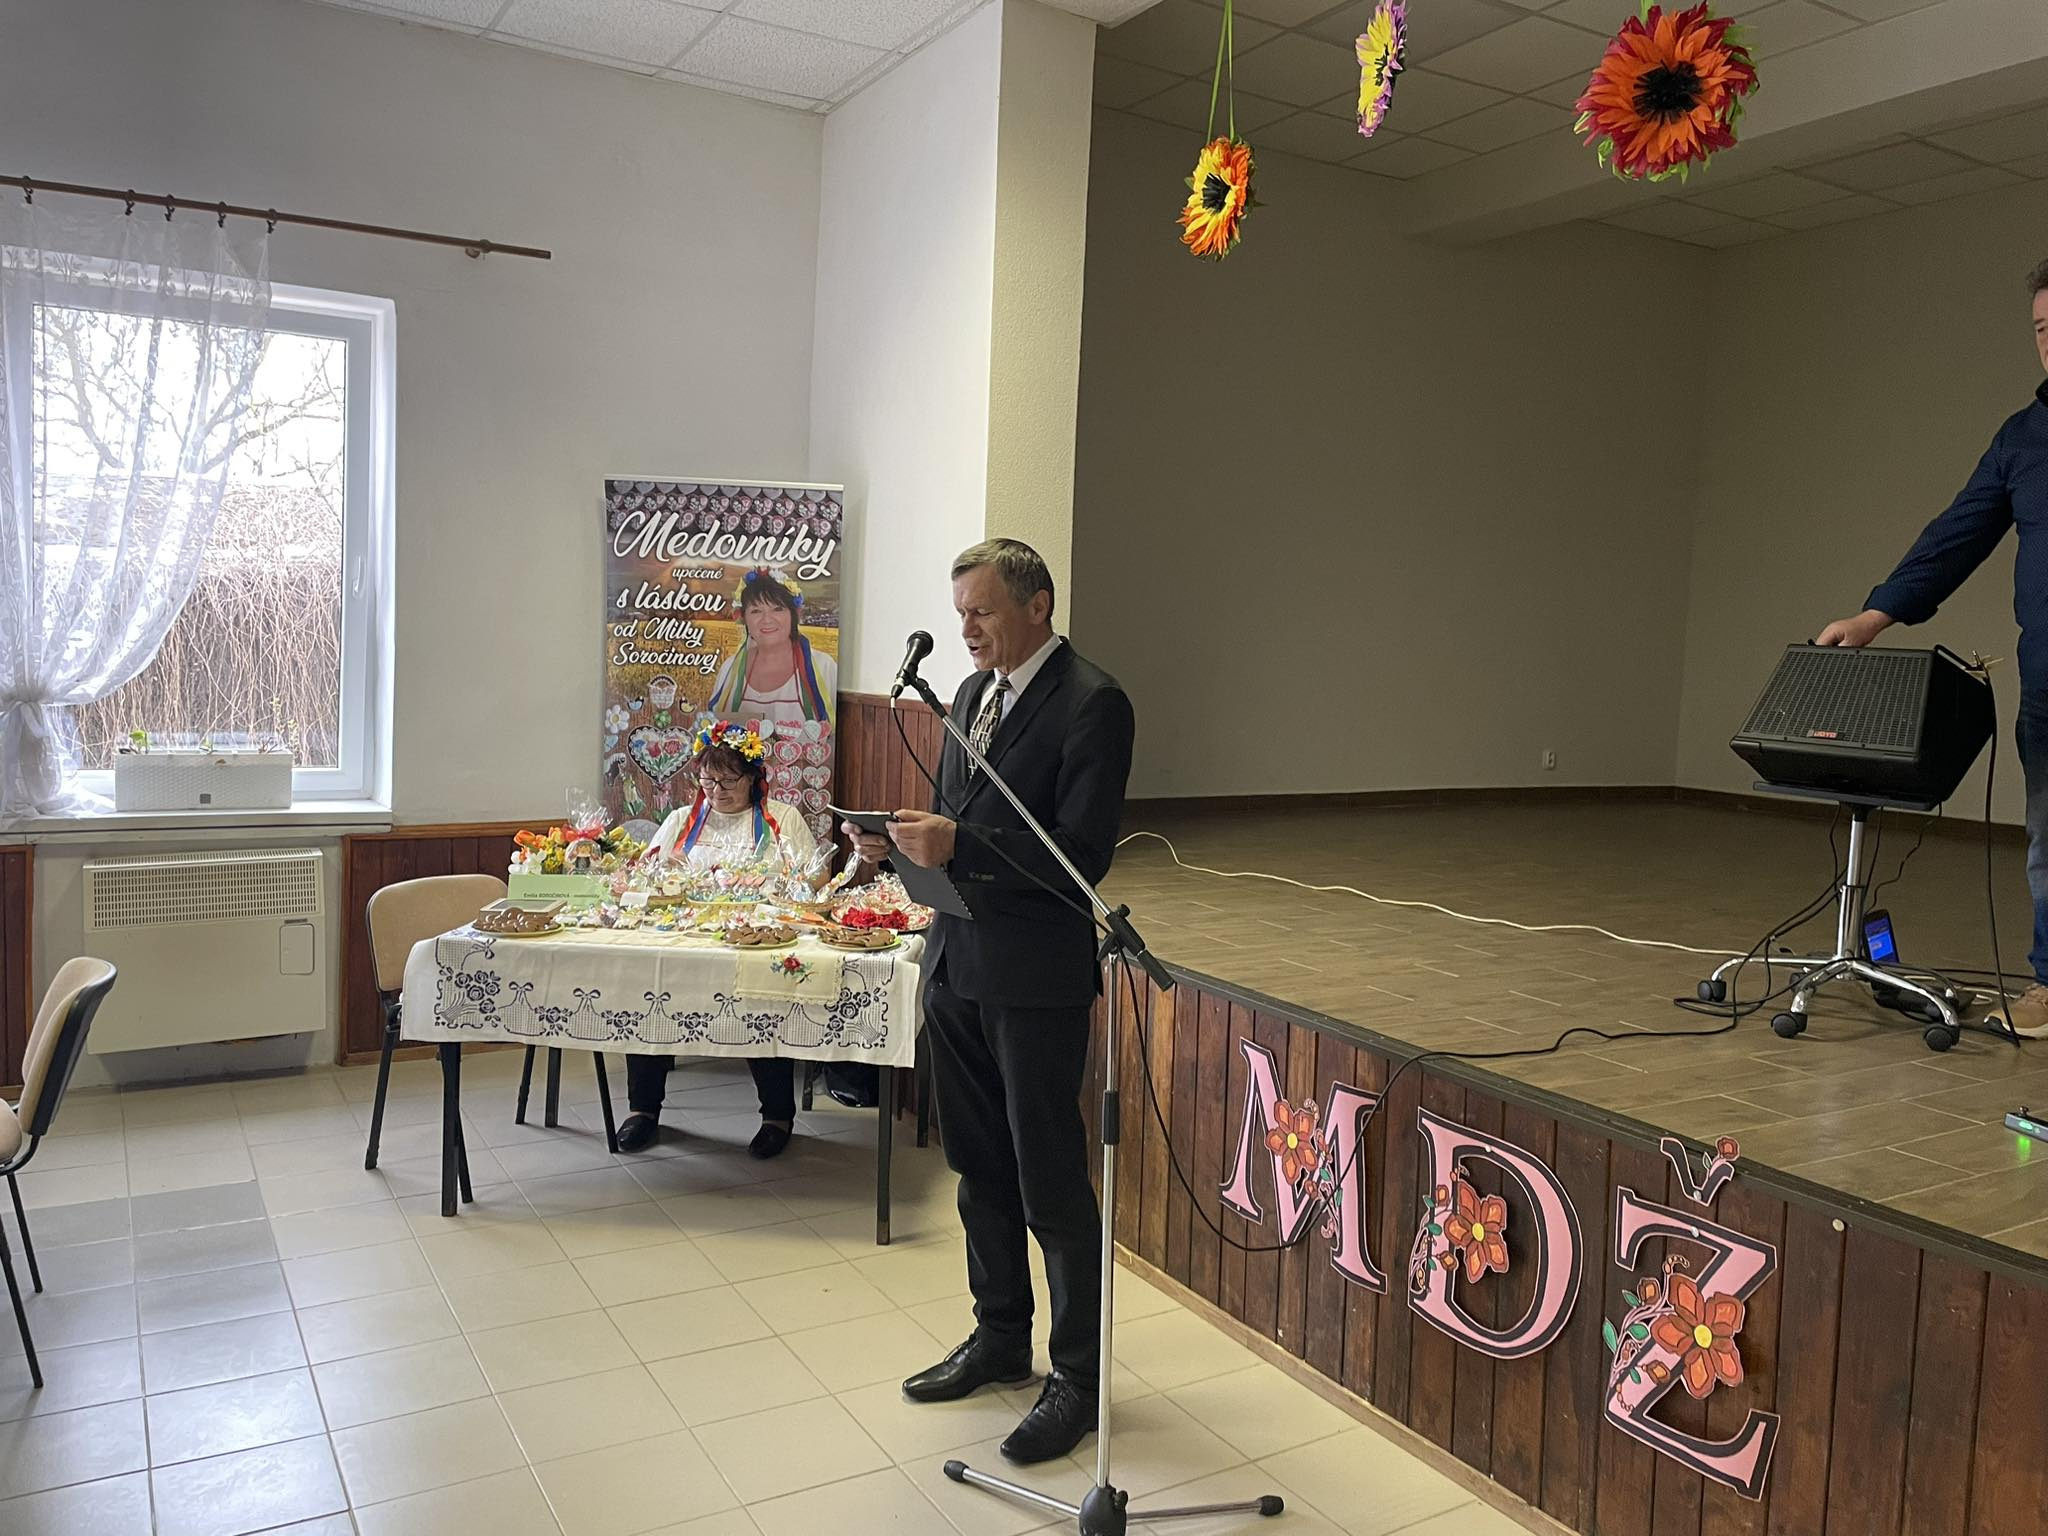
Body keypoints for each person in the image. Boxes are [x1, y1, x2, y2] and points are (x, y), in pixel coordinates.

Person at [845, 538, 1135, 1465]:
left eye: (982, 612)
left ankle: (1078, 1379)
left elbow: (1080, 853)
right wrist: (903, 844)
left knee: (1050, 1177)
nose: (966, 629)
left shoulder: (1093, 702)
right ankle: (1001, 1335)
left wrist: (958, 846)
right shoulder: (971, 694)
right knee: (978, 1165)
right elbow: (959, 820)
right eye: (959, 612)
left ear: (1036, 605)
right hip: (957, 961)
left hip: (1036, 979)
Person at [1817, 256, 2048, 1031]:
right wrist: (1876, 615)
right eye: (2041, 329)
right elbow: (1956, 535)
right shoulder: (2023, 438)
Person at [623, 721, 823, 1159]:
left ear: (753, 778)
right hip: (686, 938)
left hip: (755, 941)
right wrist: (666, 872)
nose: (716, 791)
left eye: (728, 781)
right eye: (708, 781)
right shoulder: (682, 820)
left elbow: (816, 878)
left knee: (763, 1004)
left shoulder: (782, 818)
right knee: (648, 994)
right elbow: (644, 875)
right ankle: (643, 1110)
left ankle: (777, 1116)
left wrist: (780, 884)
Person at [706, 568, 838, 727]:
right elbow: (714, 729)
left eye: (777, 609)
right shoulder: (729, 668)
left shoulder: (824, 667)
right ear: (744, 618)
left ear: (794, 614)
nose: (767, 619)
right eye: (756, 611)